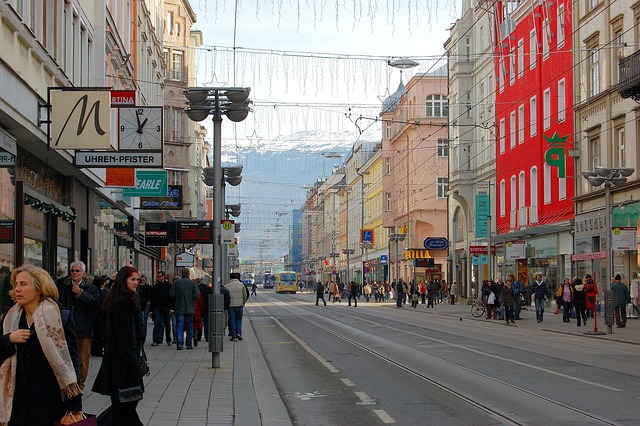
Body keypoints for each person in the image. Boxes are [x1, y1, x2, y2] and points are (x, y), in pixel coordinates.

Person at [0, 265, 83, 425]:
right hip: (16, 402)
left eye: (23, 284)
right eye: (16, 284)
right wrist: (9, 339)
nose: (17, 289)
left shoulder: (60, 317)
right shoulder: (10, 319)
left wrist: (74, 406)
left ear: (39, 288)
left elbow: (70, 361)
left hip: (48, 401)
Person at [91, 266, 144, 425]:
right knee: (126, 404)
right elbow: (123, 334)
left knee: (123, 404)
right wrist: (130, 360)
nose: (136, 283)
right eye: (132, 279)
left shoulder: (118, 299)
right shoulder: (123, 302)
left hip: (116, 360)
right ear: (123, 281)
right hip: (123, 363)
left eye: (137, 279)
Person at [56, 261, 101, 391]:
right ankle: (67, 384)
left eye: (77, 271)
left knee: (82, 359)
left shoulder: (90, 287)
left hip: (84, 329)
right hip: (66, 328)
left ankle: (80, 385)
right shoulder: (63, 285)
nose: (74, 273)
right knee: (66, 357)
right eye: (72, 271)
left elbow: (96, 302)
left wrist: (81, 293)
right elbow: (56, 300)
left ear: (83, 273)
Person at [169, 268, 200, 350]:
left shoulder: (177, 283)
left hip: (179, 308)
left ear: (182, 274)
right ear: (189, 274)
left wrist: (177, 300)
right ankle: (189, 344)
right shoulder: (192, 283)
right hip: (190, 307)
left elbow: (171, 294)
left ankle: (179, 344)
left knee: (180, 325)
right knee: (190, 326)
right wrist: (191, 299)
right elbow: (197, 295)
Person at [150, 271, 172, 346]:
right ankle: (156, 340)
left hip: (166, 307)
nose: (158, 278)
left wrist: (171, 307)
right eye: (158, 276)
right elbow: (152, 299)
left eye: (160, 276)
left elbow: (171, 297)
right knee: (157, 323)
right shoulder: (155, 287)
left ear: (163, 277)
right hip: (157, 307)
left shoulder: (169, 286)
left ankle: (168, 339)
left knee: (167, 324)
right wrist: (151, 310)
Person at [225, 272, 248, 342]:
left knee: (232, 320)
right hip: (239, 305)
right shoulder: (242, 285)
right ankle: (239, 333)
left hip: (231, 306)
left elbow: (226, 297)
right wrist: (243, 302)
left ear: (230, 278)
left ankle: (233, 335)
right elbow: (245, 295)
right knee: (239, 319)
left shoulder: (227, 286)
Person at [137, 274, 152, 343]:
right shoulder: (138, 287)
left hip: (145, 306)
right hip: (140, 306)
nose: (142, 281)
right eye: (141, 280)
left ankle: (143, 336)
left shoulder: (148, 287)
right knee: (141, 322)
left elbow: (150, 296)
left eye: (144, 280)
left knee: (144, 322)